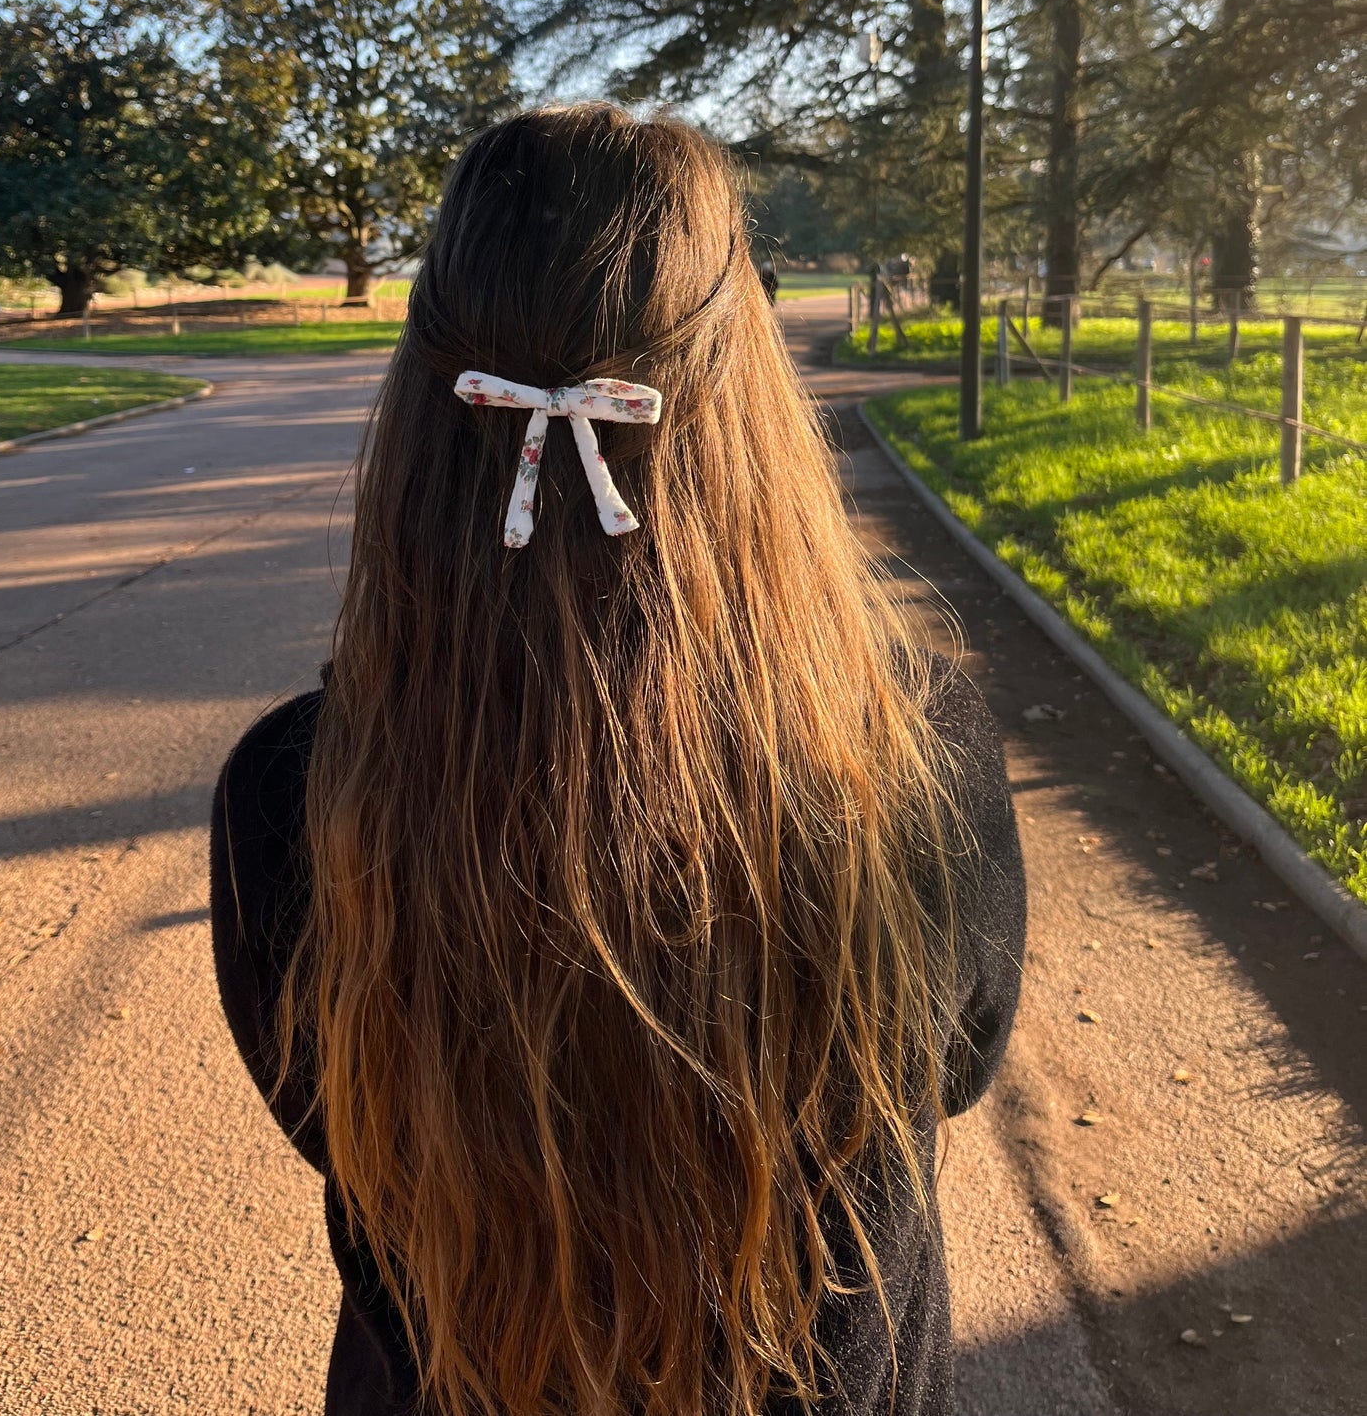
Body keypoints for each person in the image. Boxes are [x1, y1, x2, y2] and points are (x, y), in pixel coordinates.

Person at [211, 103, 1025, 1416]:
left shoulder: (290, 798)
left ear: (421, 409)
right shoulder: (912, 750)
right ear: (744, 383)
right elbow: (960, 1062)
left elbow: (323, 1120)